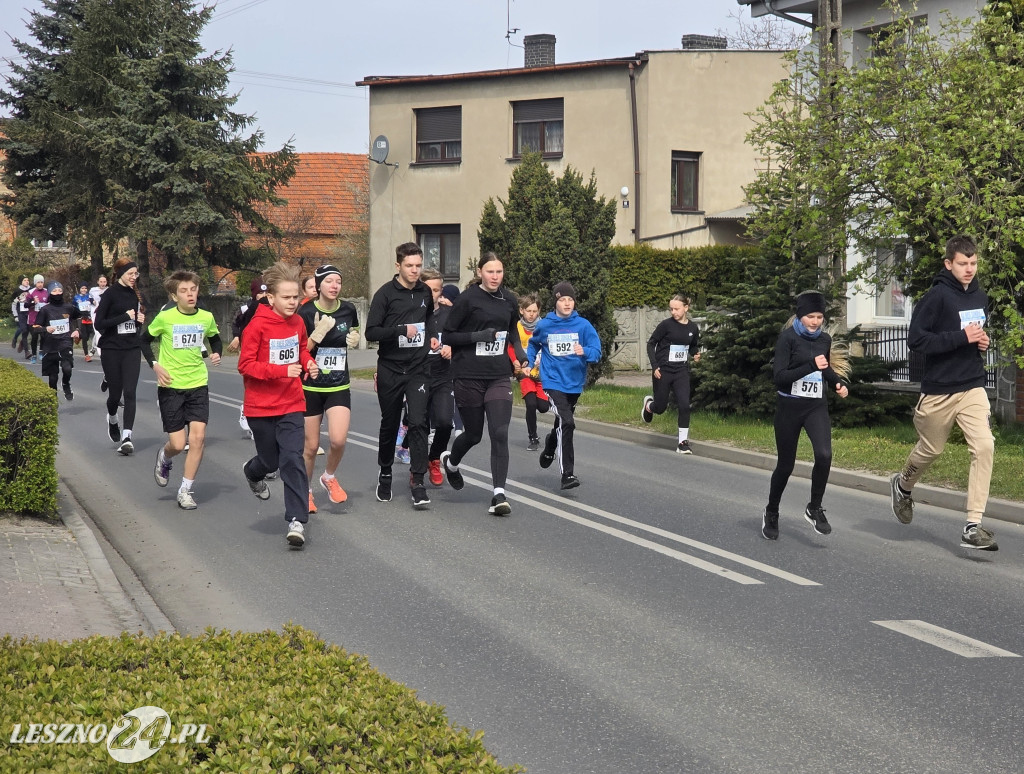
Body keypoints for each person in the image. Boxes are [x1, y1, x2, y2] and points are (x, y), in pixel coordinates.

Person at [889, 236, 998, 551]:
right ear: (948, 264)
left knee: (984, 445)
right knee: (931, 450)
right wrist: (960, 337)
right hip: (939, 391)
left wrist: (981, 341)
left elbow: (974, 333)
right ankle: (903, 484)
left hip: (972, 385)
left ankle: (972, 525)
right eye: (963, 263)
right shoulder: (936, 297)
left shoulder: (980, 296)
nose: (969, 269)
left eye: (973, 263)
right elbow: (917, 341)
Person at [238, 261, 320, 548]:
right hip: (260, 407)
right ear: (270, 298)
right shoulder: (257, 326)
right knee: (270, 462)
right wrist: (281, 371)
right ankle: (252, 471)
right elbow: (245, 365)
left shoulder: (297, 322)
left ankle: (296, 520)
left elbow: (300, 349)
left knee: (292, 459)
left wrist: (309, 364)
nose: (293, 302)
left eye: (296, 297)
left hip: (291, 402)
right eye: (286, 298)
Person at [441, 252, 528, 516]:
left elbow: (512, 330)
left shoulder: (509, 299)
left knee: (499, 432)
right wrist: (479, 336)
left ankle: (499, 494)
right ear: (480, 272)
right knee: (474, 434)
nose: (495, 277)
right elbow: (448, 335)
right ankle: (452, 463)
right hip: (468, 374)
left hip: (499, 374)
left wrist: (520, 353)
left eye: (499, 272)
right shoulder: (468, 299)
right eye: (490, 272)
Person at [761, 290, 850, 541]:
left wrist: (838, 383)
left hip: (815, 406)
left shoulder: (823, 340)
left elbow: (825, 369)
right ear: (799, 316)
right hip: (789, 407)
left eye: (819, 317)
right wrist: (810, 366)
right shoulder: (787, 339)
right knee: (785, 465)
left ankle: (814, 507)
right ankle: (772, 511)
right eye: (810, 316)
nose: (815, 321)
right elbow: (780, 379)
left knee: (824, 455)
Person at [141, 271, 222, 510]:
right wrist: (155, 365)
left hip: (197, 383)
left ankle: (185, 489)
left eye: (193, 289)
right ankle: (165, 457)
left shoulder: (206, 317)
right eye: (184, 291)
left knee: (198, 439)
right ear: (174, 296)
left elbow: (215, 338)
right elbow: (143, 340)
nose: (190, 294)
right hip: (171, 386)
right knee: (178, 444)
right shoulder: (165, 318)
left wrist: (217, 352)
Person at [364, 242, 434, 509]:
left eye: (418, 265)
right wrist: (400, 330)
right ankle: (385, 471)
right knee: (390, 423)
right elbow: (372, 333)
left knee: (418, 423)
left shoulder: (426, 292)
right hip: (391, 368)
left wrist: (432, 341)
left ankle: (418, 480)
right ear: (398, 266)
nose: (415, 271)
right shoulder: (385, 294)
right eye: (409, 266)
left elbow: (428, 323)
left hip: (418, 368)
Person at [526, 282, 602, 490]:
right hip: (552, 381)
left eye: (570, 299)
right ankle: (567, 474)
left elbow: (597, 352)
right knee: (567, 422)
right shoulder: (546, 325)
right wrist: (529, 362)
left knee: (562, 422)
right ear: (556, 302)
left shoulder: (584, 325)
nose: (567, 303)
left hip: (574, 383)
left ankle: (551, 443)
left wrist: (584, 351)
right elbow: (533, 344)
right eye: (562, 300)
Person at [298, 264, 360, 513]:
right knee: (311, 447)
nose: (335, 286)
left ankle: (329, 476)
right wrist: (316, 336)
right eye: (329, 282)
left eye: (338, 282)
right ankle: (306, 491)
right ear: (318, 284)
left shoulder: (348, 309)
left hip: (338, 384)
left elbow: (353, 329)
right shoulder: (305, 311)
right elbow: (299, 351)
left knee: (337, 440)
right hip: (310, 386)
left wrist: (354, 339)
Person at [93, 259, 145, 456]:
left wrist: (139, 320)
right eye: (130, 273)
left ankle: (127, 437)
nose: (134, 277)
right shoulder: (110, 294)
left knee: (130, 392)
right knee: (115, 395)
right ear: (121, 273)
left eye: (136, 274)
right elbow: (99, 324)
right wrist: (125, 316)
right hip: (111, 349)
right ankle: (112, 417)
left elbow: (133, 323)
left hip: (132, 348)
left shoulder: (135, 294)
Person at [641, 294, 702, 454]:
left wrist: (696, 354)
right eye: (671, 309)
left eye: (677, 309)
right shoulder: (666, 325)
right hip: (663, 371)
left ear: (686, 308)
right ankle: (649, 405)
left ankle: (682, 443)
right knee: (660, 408)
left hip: (681, 371)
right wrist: (655, 366)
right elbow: (651, 344)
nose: (673, 312)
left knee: (684, 405)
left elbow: (693, 346)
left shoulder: (692, 328)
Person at [419, 270, 457, 486]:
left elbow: (459, 338)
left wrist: (452, 347)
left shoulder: (448, 314)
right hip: (419, 376)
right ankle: (417, 469)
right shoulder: (413, 314)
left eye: (437, 290)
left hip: (443, 375)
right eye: (429, 289)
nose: (433, 294)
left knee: (444, 423)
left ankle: (434, 458)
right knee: (420, 425)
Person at [228, 276, 268, 440]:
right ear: (254, 294)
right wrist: (237, 337)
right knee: (253, 383)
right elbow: (236, 323)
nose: (263, 295)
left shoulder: (273, 307)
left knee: (266, 385)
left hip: (266, 349)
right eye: (260, 293)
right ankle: (247, 412)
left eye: (266, 291)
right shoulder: (246, 308)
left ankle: (263, 419)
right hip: (249, 350)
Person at [511, 293, 550, 451]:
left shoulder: (545, 327)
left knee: (543, 407)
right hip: (525, 373)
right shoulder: (517, 327)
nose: (531, 314)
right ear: (521, 311)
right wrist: (515, 361)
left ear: (539, 311)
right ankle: (533, 437)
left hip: (541, 374)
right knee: (531, 404)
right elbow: (511, 346)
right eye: (528, 311)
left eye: (534, 311)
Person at [34, 281, 80, 400]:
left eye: (60, 290)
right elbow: (35, 329)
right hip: (50, 345)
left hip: (65, 343)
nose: (57, 293)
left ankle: (65, 383)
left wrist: (77, 330)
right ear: (49, 293)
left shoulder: (69, 307)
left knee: (67, 369)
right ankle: (53, 400)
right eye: (54, 291)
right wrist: (45, 329)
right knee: (53, 377)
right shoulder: (45, 310)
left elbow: (79, 317)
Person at [26, 274, 49, 364]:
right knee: (34, 337)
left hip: (43, 318)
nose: (40, 284)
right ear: (35, 283)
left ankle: (41, 351)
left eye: (41, 282)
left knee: (43, 336)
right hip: (33, 319)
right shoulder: (31, 292)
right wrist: (33, 302)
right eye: (38, 282)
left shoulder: (47, 292)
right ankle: (34, 355)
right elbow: (26, 305)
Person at [72, 283, 94, 362]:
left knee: (87, 336)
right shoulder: (76, 297)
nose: (84, 290)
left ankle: (79, 337)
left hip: (89, 317)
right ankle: (86, 355)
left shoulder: (89, 296)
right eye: (82, 288)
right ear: (79, 289)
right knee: (85, 337)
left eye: (85, 288)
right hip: (81, 317)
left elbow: (93, 304)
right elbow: (73, 306)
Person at [88, 275, 109, 357]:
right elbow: (89, 298)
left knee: (102, 332)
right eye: (101, 282)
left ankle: (93, 347)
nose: (103, 284)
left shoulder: (109, 290)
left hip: (106, 313)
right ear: (98, 282)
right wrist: (92, 301)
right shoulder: (93, 290)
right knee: (98, 331)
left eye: (104, 282)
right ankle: (101, 354)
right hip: (95, 313)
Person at [10, 276, 31, 356]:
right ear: (21, 282)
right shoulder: (17, 291)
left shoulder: (31, 290)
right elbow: (14, 304)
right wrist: (15, 315)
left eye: (28, 280)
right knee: (23, 329)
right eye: (25, 280)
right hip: (21, 313)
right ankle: (16, 340)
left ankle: (23, 342)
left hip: (29, 313)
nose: (27, 281)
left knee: (28, 330)